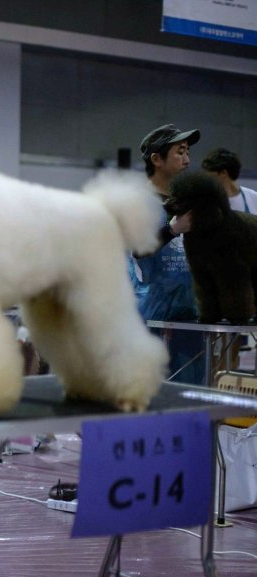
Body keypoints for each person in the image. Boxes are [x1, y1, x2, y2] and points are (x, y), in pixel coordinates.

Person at [131, 123, 205, 384]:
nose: (187, 159)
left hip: (189, 312)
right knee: (151, 392)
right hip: (152, 313)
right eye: (180, 152)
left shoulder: (189, 199)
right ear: (157, 159)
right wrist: (173, 229)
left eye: (188, 152)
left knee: (191, 392)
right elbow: (137, 249)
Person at [201, 147, 257, 214]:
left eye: (209, 171)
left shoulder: (253, 197)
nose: (206, 177)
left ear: (223, 173)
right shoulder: (205, 201)